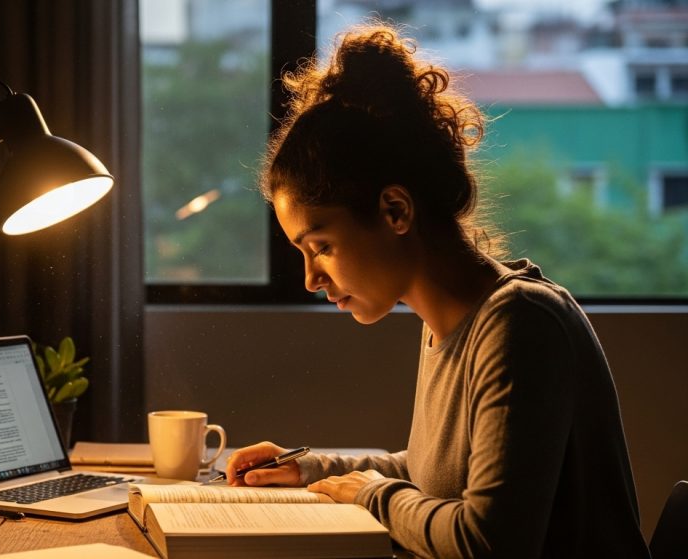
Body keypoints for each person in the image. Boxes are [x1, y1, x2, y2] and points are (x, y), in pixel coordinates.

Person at [224, 23, 651, 558]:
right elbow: (434, 477)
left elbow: (489, 541)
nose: (311, 279)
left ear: (395, 211)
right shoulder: (446, 323)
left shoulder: (522, 322)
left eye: (322, 246)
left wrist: (375, 496)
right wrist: (312, 467)